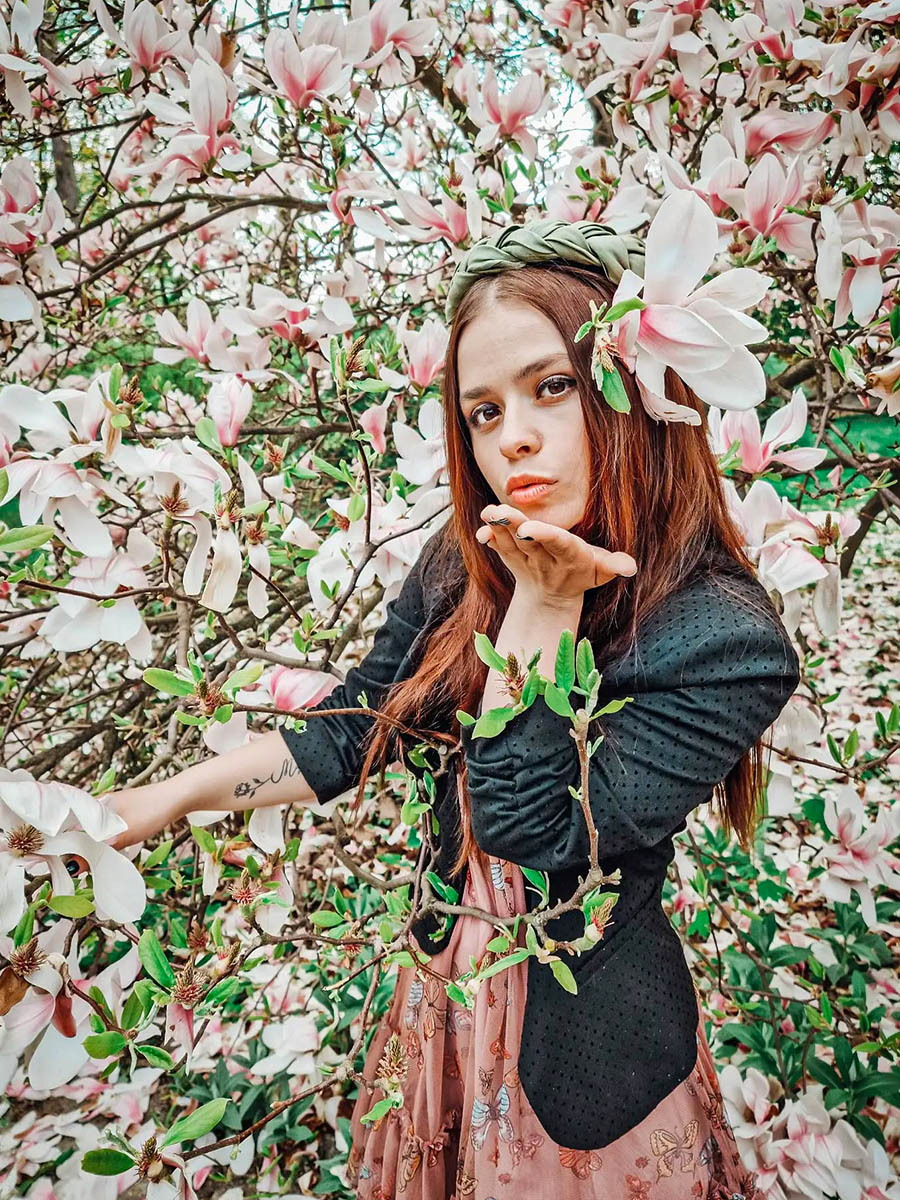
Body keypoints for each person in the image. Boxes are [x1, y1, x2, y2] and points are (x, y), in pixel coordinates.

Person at [105, 219, 799, 1200]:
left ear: (640, 393)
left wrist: (547, 607)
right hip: (449, 968)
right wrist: (168, 798)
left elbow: (531, 831)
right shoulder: (466, 556)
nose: (510, 434)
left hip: (585, 1033)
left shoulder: (724, 638)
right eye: (481, 410)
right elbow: (354, 730)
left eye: (551, 387)